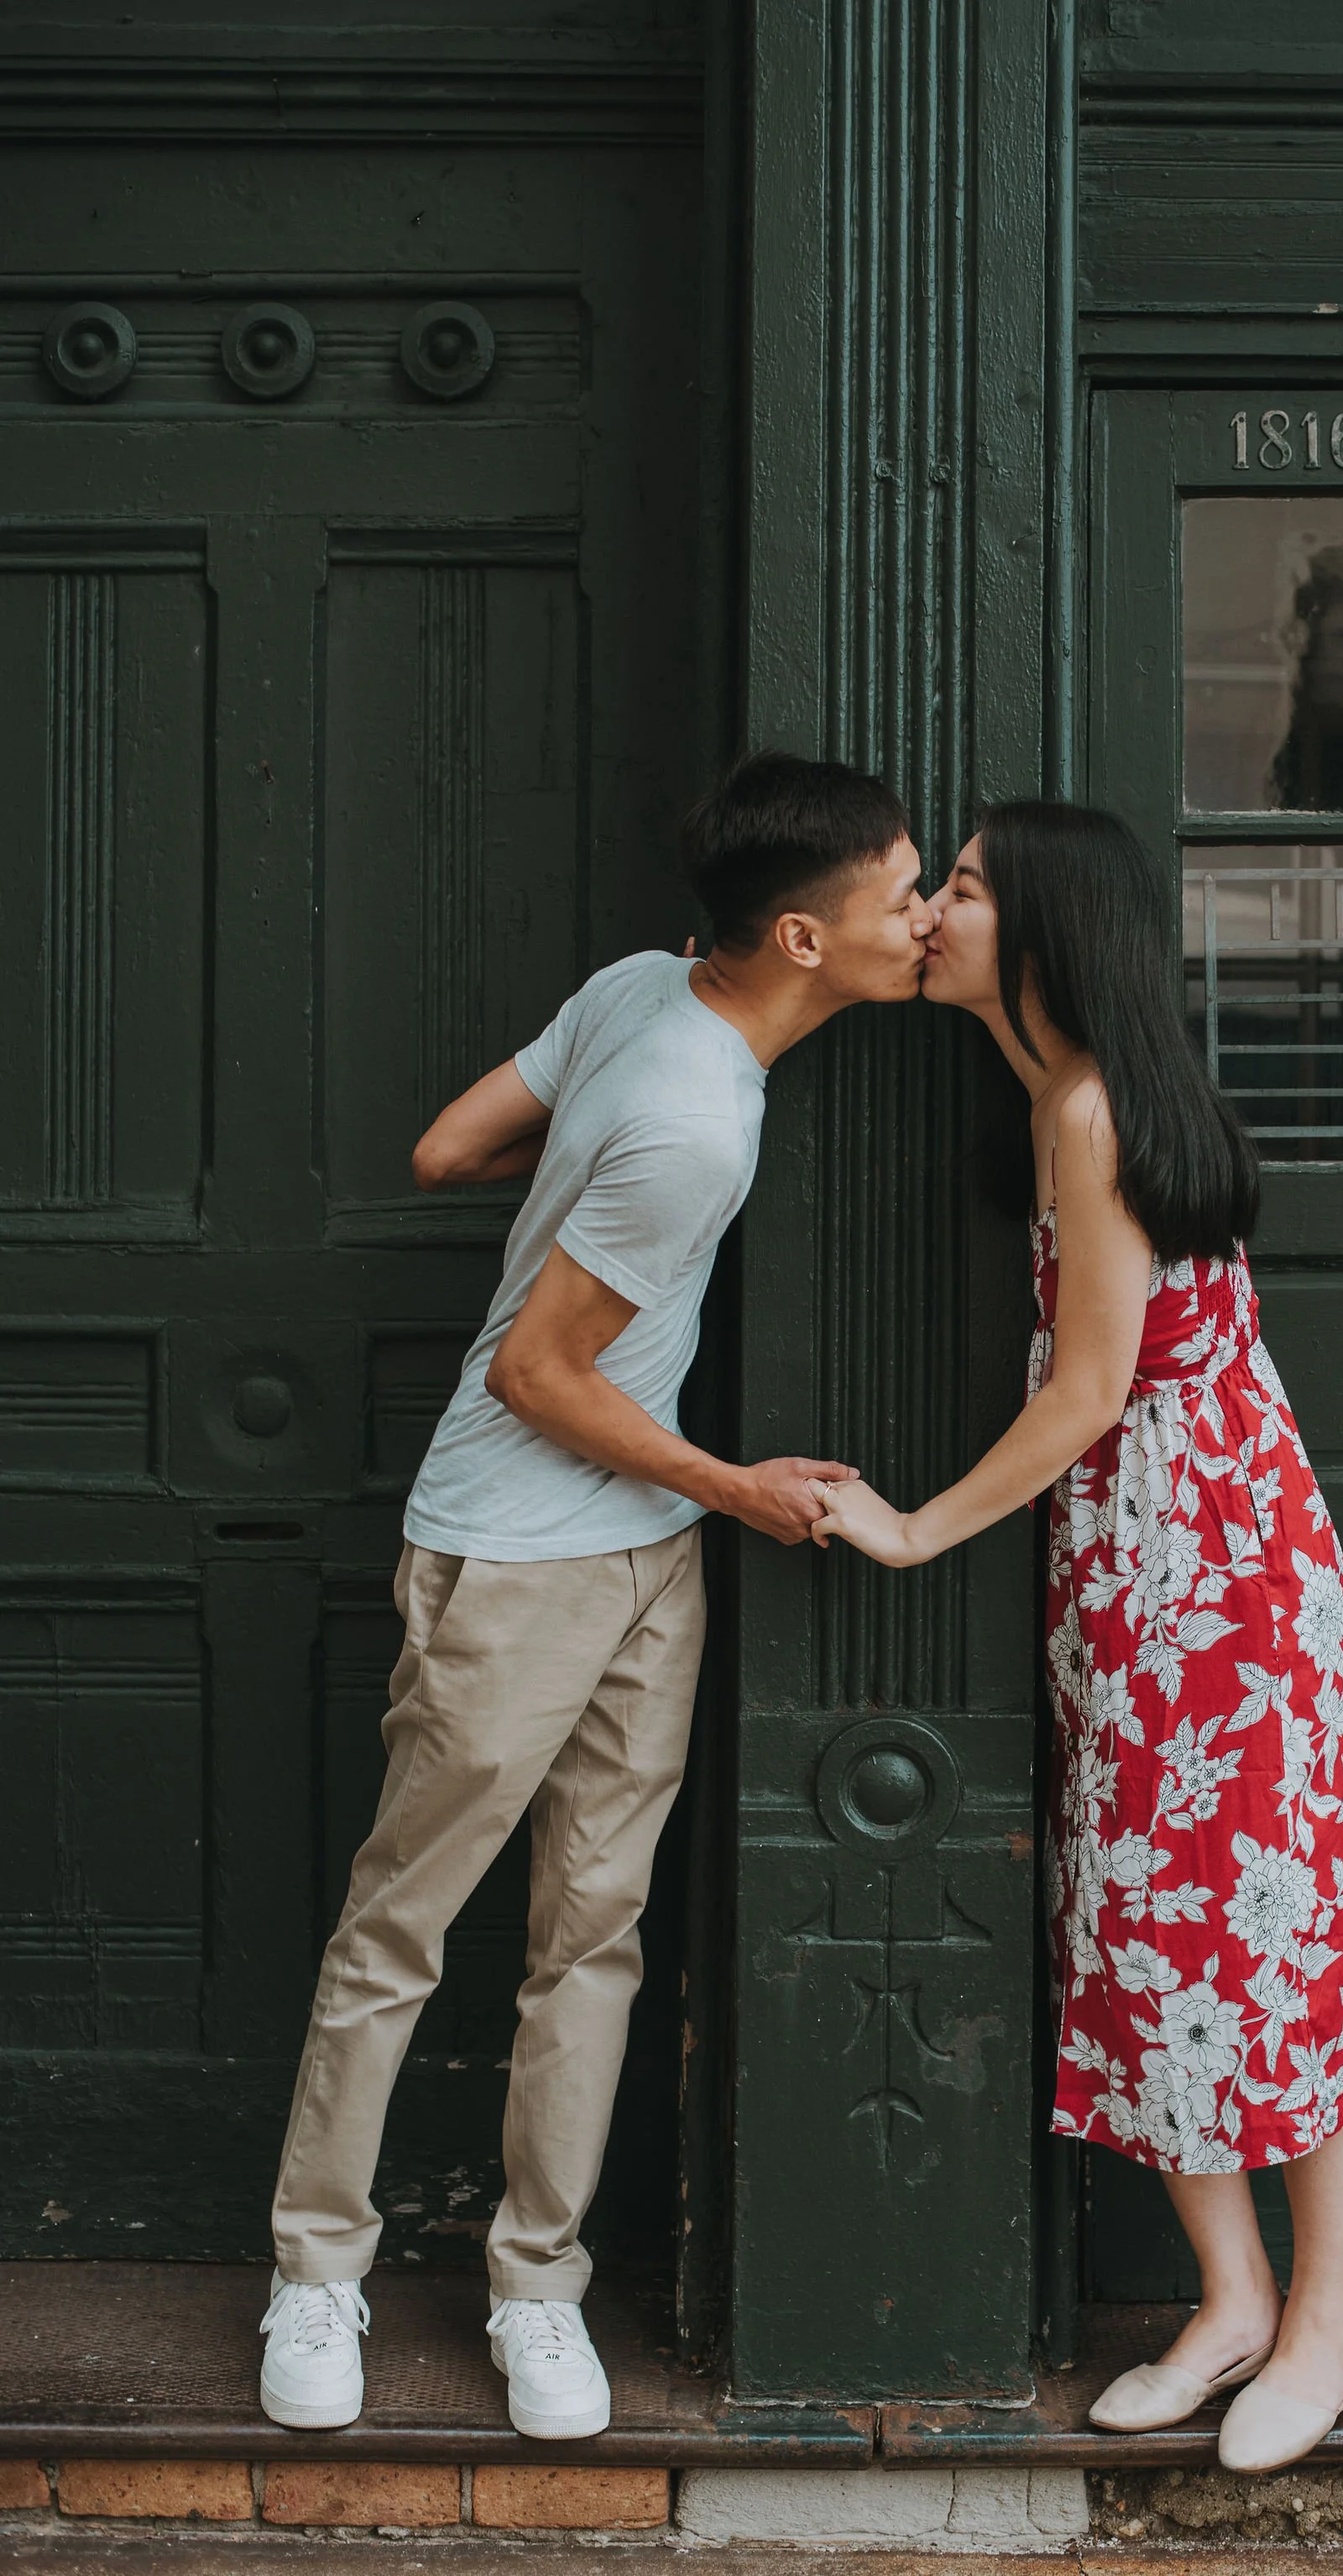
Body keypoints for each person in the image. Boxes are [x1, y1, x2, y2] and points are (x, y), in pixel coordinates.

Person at [259, 753, 931, 2439]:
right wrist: (741, 1484)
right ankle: (314, 2272)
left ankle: (535, 2290)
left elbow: (442, 1149)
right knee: (399, 1927)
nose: (922, 920)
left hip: (637, 1555)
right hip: (519, 1557)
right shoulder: (692, 1121)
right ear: (798, 935)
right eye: (899, 898)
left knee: (595, 1940)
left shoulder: (646, 987)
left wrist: (576, 1183)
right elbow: (542, 1379)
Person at [813, 802, 1343, 2475]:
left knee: (1278, 1927)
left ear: (1052, 927)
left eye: (971, 889)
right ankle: (1225, 2300)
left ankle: (1323, 2320)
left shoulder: (1088, 1105)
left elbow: (1088, 1393)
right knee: (1150, 1929)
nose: (937, 907)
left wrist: (915, 1525)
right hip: (1139, 1582)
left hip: (1217, 1579)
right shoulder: (1060, 1084)